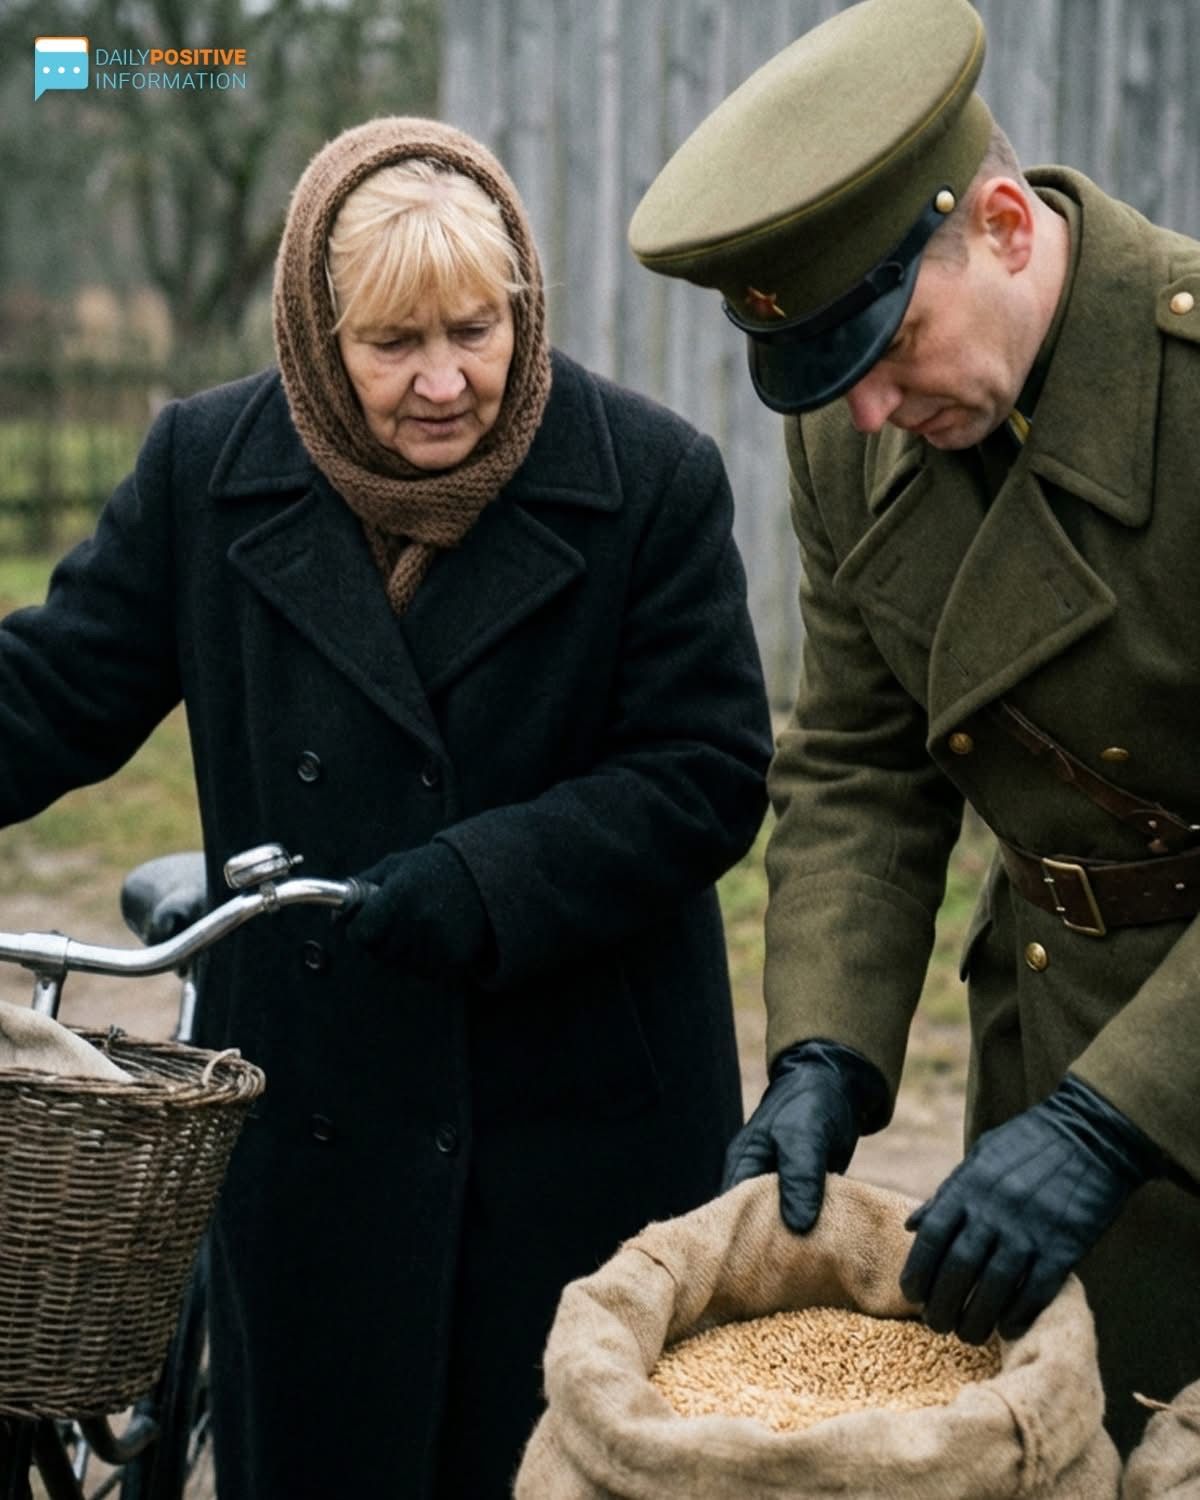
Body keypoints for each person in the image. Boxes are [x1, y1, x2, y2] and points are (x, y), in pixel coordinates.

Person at [0, 118, 772, 1497]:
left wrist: (485, 880)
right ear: (317, 330)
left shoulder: (649, 479)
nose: (444, 382)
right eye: (392, 344)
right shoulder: (206, 468)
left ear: (522, 304)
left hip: (577, 1122)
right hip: (320, 1113)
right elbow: (57, 687)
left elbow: (705, 771)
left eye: (475, 331)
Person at [629, 0, 1200, 1458]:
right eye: (834, 375)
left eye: (890, 345)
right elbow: (860, 764)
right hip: (1054, 1023)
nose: (870, 411)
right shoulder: (860, 422)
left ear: (1003, 226)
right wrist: (821, 1056)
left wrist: (1115, 1119)